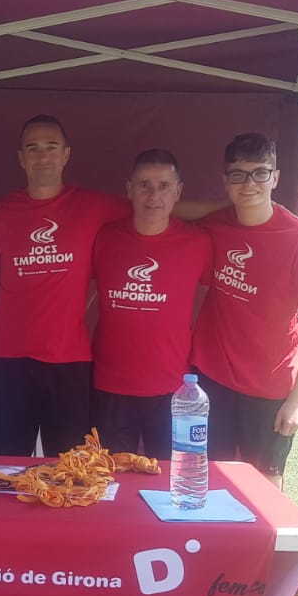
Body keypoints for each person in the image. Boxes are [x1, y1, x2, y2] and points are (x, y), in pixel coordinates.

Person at [0, 115, 128, 457]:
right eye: (33, 148)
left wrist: (230, 209)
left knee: (70, 471)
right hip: (6, 362)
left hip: (67, 362)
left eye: (51, 147)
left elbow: (155, 209)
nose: (42, 156)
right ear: (21, 158)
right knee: (2, 470)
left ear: (66, 155)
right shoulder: (0, 213)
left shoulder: (94, 207)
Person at [192, 133, 298, 489]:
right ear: (225, 181)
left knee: (267, 481)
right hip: (213, 378)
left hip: (269, 385)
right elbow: (170, 208)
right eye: (238, 175)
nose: (249, 183)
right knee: (212, 476)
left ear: (276, 177)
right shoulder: (215, 225)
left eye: (260, 173)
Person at [89, 149, 212, 457]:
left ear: (178, 191)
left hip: (173, 387)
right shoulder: (104, 238)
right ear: (129, 189)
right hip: (111, 385)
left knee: (168, 476)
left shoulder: (199, 243)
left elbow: (212, 304)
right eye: (144, 185)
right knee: (111, 476)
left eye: (164, 186)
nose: (153, 195)